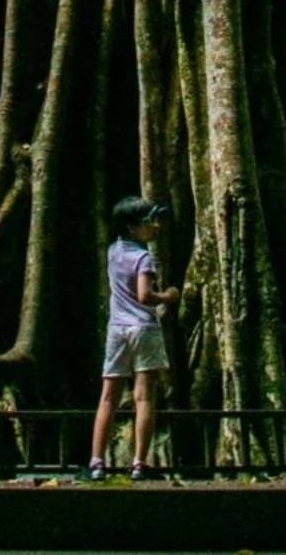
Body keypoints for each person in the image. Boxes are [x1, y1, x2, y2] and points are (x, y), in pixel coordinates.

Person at [88, 196, 178, 482]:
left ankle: (97, 463)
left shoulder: (113, 252)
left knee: (107, 398)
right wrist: (168, 296)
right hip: (144, 330)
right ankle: (139, 463)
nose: (155, 226)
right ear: (132, 227)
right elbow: (144, 295)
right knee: (143, 397)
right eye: (149, 221)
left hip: (117, 330)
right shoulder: (144, 257)